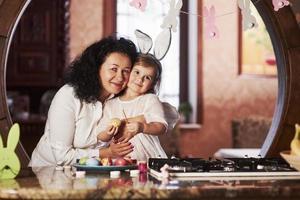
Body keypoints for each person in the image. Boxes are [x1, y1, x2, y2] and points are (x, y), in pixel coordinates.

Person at [29, 36, 138, 167]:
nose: (120, 77)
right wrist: (107, 152)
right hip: (47, 174)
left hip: (90, 176)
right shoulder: (69, 95)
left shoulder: (118, 101)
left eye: (126, 71)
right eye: (113, 69)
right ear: (96, 68)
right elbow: (61, 157)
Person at [97, 53, 170, 161]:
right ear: (129, 72)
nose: (140, 80)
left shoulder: (150, 100)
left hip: (148, 160)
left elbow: (161, 127)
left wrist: (143, 127)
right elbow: (100, 136)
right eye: (136, 72)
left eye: (147, 77)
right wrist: (107, 134)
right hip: (119, 161)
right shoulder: (110, 104)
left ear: (153, 84)